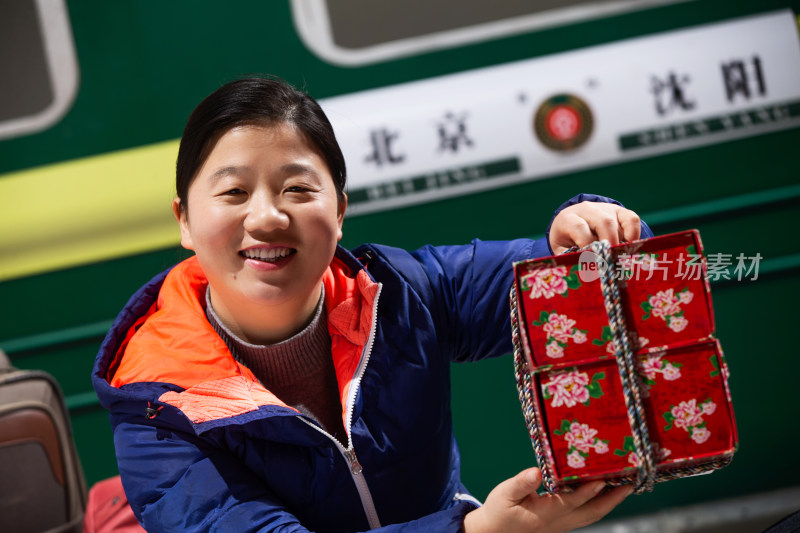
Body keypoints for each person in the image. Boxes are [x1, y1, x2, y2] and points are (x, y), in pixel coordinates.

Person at [92, 76, 652, 533]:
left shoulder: (403, 292)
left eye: (298, 189)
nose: (266, 217)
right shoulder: (156, 409)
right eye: (234, 192)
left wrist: (586, 232)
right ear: (185, 220)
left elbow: (597, 280)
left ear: (339, 211)